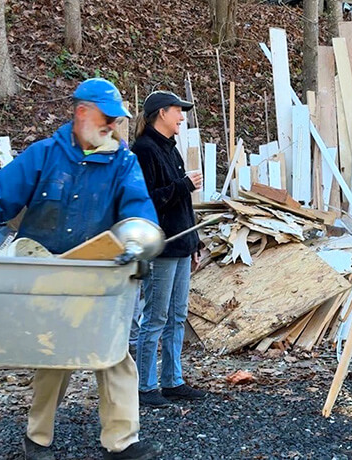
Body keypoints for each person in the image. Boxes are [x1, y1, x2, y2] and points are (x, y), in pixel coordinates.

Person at [0, 78, 163, 460]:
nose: (112, 126)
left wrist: (138, 246)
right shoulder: (43, 155)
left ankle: (122, 442)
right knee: (54, 355)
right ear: (81, 113)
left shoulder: (124, 164)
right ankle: (37, 439)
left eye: (116, 120)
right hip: (49, 276)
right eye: (106, 118)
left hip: (99, 276)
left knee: (115, 357)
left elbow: (138, 209)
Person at [130, 90, 205, 408]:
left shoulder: (169, 149)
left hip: (180, 244)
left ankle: (172, 381)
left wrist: (195, 242)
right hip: (160, 247)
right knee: (155, 317)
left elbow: (181, 206)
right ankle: (145, 386)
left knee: (176, 317)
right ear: (161, 113)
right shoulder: (144, 150)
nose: (182, 117)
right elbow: (148, 201)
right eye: (178, 111)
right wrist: (183, 185)